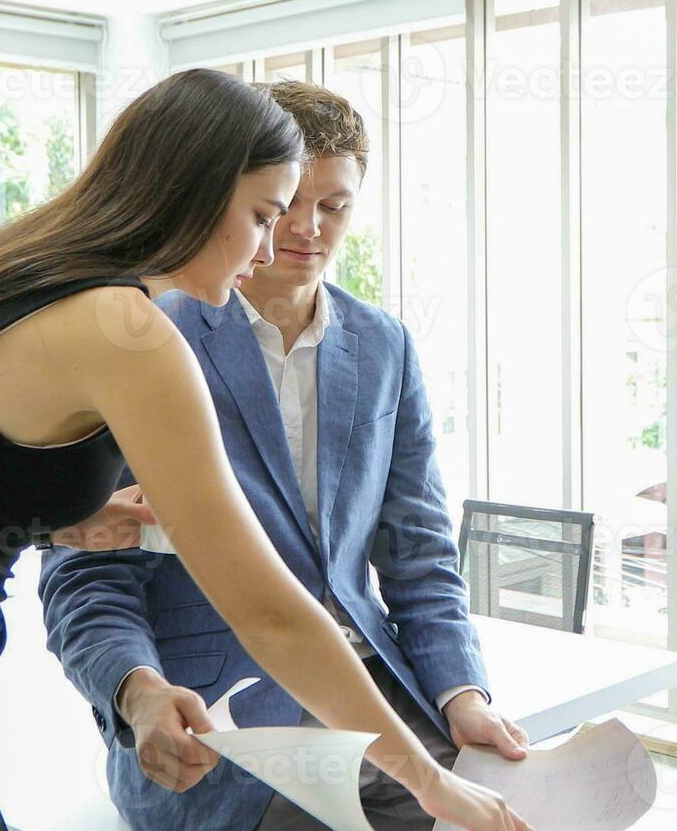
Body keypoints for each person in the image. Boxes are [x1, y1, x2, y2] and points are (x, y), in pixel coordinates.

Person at [0, 69, 528, 831]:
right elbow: (268, 614)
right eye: (261, 215)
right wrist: (433, 788)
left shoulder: (0, 277)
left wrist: (51, 522)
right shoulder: (129, 330)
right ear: (195, 190)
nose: (269, 246)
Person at [40, 79, 528, 831]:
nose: (306, 228)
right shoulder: (143, 338)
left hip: (379, 694)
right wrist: (138, 693)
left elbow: (419, 553)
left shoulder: (383, 345)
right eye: (285, 205)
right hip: (225, 718)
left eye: (333, 205)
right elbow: (89, 569)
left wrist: (463, 695)